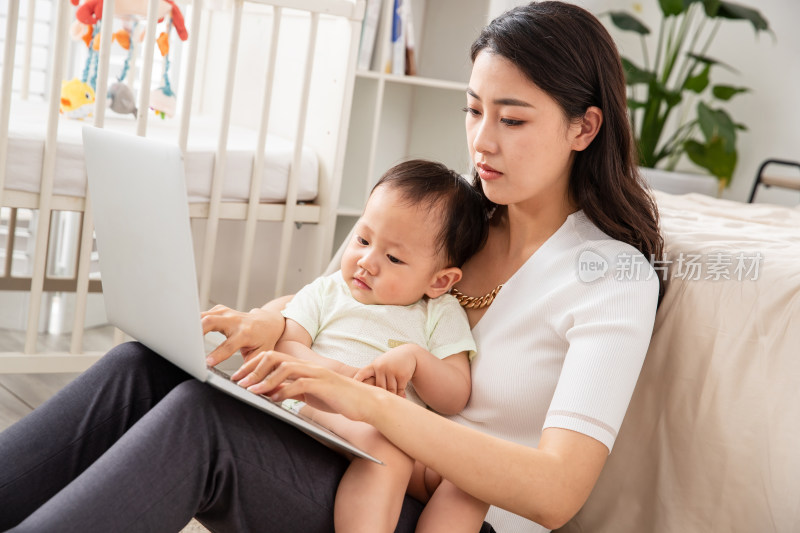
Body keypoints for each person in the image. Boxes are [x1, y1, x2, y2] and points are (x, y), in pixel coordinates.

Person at [0, 2, 664, 532]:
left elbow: (556, 492)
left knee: (201, 421)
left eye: (512, 120)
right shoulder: (463, 212)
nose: (482, 140)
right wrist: (269, 321)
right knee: (144, 365)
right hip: (349, 444)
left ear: (585, 128)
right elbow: (346, 291)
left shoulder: (612, 276)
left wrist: (363, 397)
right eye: (473, 109)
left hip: (442, 510)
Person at [249, 159, 490, 532]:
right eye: (362, 240)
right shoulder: (329, 290)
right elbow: (287, 345)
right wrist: (342, 379)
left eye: (393, 258)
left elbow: (455, 394)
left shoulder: (439, 313)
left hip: (397, 431)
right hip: (315, 407)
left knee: (472, 480)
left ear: (440, 280)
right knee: (386, 445)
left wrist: (417, 360)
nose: (366, 262)